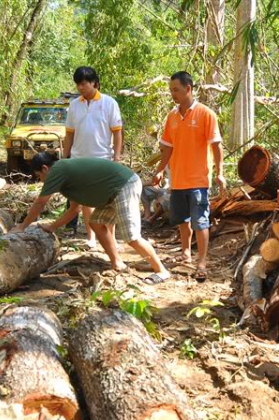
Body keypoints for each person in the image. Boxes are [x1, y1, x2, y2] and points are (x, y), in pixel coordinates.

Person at [12, 152, 170, 285]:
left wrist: (22, 227)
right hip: (112, 192)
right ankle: (116, 262)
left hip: (124, 185)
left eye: (39, 176)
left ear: (45, 168)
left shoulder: (57, 170)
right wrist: (52, 227)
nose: (41, 180)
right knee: (95, 222)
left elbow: (41, 202)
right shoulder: (66, 176)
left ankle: (161, 271)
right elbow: (74, 209)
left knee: (131, 236)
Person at [152, 71, 226, 282]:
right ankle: (185, 252)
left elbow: (216, 146)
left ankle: (201, 262)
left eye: (176, 90)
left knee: (200, 221)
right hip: (178, 179)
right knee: (182, 220)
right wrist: (159, 169)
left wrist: (220, 173)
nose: (173, 94)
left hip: (199, 180)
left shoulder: (206, 114)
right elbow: (167, 148)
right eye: (171, 91)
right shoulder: (172, 117)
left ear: (188, 89)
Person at [61, 66, 124, 248]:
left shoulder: (109, 103)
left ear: (94, 83)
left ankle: (110, 238)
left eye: (84, 84)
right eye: (78, 84)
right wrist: (65, 157)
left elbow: (117, 133)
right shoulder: (74, 105)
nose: (80, 88)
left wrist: (117, 156)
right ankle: (91, 238)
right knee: (84, 200)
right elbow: (70, 134)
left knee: (106, 201)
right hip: (78, 159)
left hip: (103, 158)